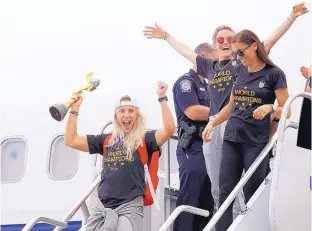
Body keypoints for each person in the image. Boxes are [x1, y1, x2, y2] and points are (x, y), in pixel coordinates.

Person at [143, 3, 308, 212]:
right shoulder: (208, 67)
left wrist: (291, 17)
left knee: (244, 184)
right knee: (219, 186)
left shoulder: (241, 63)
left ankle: (243, 217)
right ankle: (224, 219)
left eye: (230, 39)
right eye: (220, 39)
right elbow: (185, 51)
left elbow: (268, 41)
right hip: (215, 125)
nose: (225, 43)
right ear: (214, 45)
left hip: (241, 125)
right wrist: (165, 35)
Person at [202, 29, 291, 231]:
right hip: (232, 138)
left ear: (254, 46)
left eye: (241, 53)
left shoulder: (274, 74)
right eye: (235, 54)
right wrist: (213, 123)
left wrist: (270, 107)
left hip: (255, 141)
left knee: (252, 192)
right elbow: (231, 105)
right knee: (225, 193)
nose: (238, 58)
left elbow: (288, 109)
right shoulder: (240, 71)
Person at [64, 81, 176, 231]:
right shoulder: (106, 140)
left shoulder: (146, 138)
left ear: (137, 115)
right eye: (122, 111)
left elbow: (169, 130)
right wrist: (74, 110)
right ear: (116, 116)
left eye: (131, 111)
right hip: (101, 206)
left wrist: (162, 98)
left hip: (129, 206)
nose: (126, 115)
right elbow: (71, 140)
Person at [172, 42, 215, 231]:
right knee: (190, 197)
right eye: (214, 63)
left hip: (209, 147)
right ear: (204, 59)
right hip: (193, 147)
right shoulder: (186, 82)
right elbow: (193, 111)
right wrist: (223, 112)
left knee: (207, 199)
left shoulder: (210, 87)